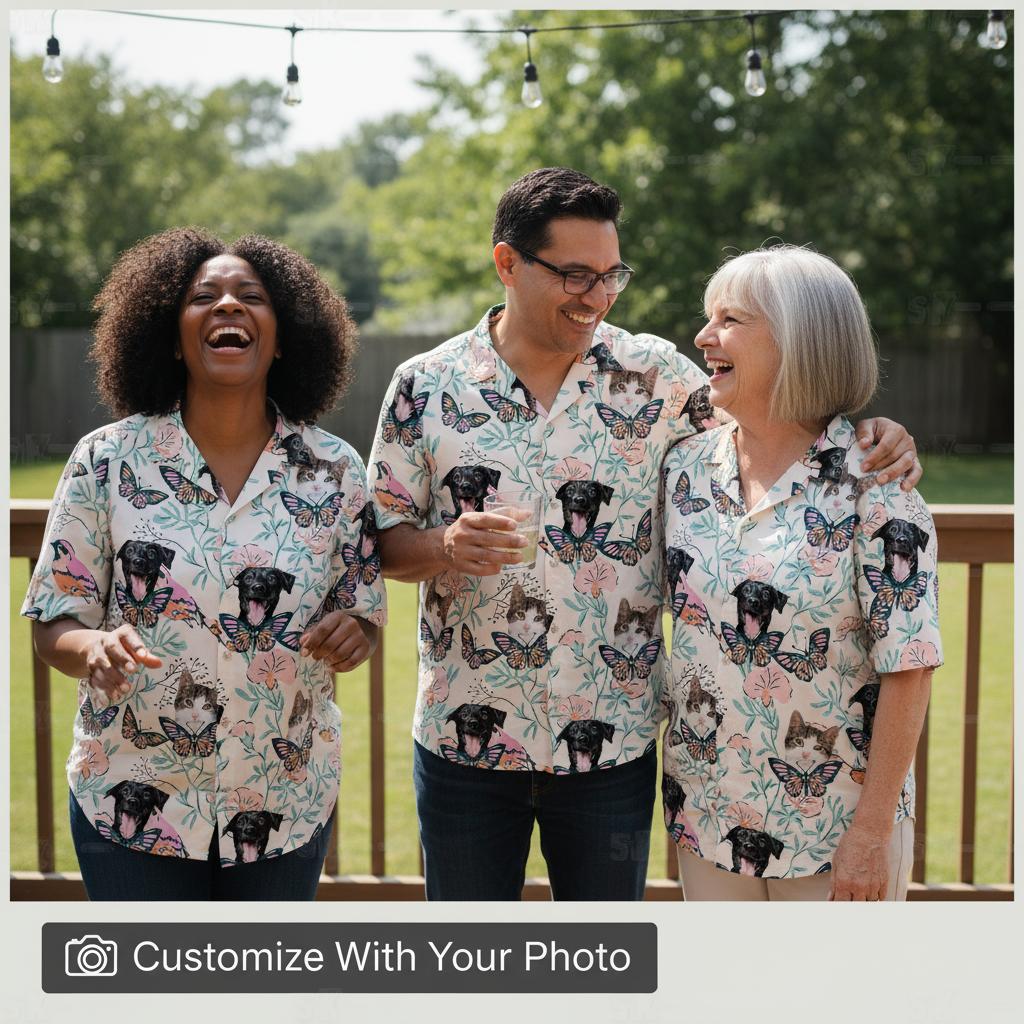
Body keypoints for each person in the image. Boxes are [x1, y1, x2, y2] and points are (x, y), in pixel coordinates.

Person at [367, 167, 921, 901]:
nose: (596, 296)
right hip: (465, 745)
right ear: (507, 263)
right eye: (574, 274)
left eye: (610, 275)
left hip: (614, 746)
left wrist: (874, 434)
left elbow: (779, 424)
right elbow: (379, 537)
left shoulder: (660, 377)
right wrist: (441, 548)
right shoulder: (423, 384)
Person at [22, 228, 387, 900]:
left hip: (283, 804)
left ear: (283, 338)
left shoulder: (336, 470)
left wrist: (353, 635)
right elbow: (53, 620)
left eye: (251, 297)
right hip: (130, 798)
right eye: (203, 298)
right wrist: (94, 644)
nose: (227, 307)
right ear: (169, 333)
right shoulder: (105, 460)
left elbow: (361, 616)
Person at [661, 245, 941, 900]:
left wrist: (871, 834)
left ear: (799, 340)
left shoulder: (877, 484)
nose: (704, 337)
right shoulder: (685, 464)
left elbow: (911, 664)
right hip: (708, 819)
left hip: (836, 831)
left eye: (729, 320)